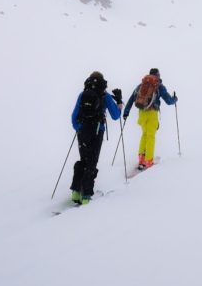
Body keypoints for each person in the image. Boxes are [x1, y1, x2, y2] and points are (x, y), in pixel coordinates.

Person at [70, 71, 123, 204]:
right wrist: (119, 103)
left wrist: (80, 128)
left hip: (82, 132)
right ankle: (86, 197)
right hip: (97, 131)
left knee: (83, 160)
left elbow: (73, 117)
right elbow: (116, 116)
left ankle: (76, 192)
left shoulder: (82, 95)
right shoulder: (104, 96)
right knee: (92, 162)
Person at [123, 68, 177, 170]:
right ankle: (149, 160)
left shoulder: (141, 86)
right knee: (151, 136)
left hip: (142, 113)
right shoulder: (158, 86)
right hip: (152, 113)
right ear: (158, 75)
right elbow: (169, 101)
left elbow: (131, 99)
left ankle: (141, 160)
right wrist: (175, 99)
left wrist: (126, 113)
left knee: (144, 135)